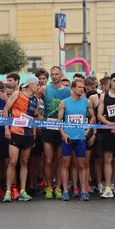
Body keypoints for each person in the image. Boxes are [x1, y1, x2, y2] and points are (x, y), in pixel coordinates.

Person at [58, 79, 96, 201]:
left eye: (82, 87)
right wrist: (63, 133)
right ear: (73, 88)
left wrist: (87, 130)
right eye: (79, 87)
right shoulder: (64, 103)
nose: (81, 89)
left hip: (80, 138)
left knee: (82, 165)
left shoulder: (87, 102)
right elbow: (59, 121)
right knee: (66, 164)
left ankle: (84, 190)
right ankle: (65, 190)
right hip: (67, 138)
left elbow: (93, 117)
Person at [3, 77, 40, 202]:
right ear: (30, 85)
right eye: (37, 85)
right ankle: (8, 191)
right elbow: (5, 110)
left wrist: (34, 135)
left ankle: (23, 191)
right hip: (15, 132)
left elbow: (34, 118)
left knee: (25, 162)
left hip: (28, 134)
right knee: (12, 161)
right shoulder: (17, 94)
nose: (38, 87)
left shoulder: (36, 100)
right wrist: (6, 129)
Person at [42, 66, 71, 199]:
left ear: (61, 75)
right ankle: (48, 186)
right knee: (48, 159)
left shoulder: (68, 91)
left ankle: (58, 187)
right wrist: (38, 116)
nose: (54, 76)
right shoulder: (44, 89)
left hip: (62, 129)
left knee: (60, 160)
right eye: (52, 74)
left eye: (56, 74)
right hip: (48, 128)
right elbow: (36, 102)